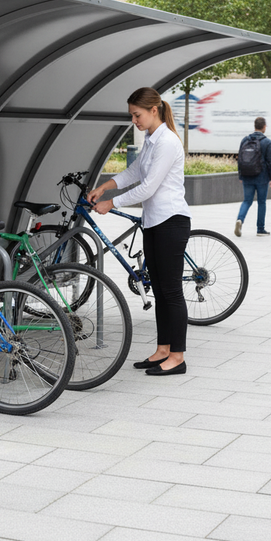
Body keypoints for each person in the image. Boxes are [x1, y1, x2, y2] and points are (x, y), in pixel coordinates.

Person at [88, 87, 191, 377]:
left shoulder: (167, 142)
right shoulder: (150, 139)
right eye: (132, 115)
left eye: (138, 115)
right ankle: (163, 349)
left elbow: (149, 187)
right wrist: (105, 186)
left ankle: (178, 357)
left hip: (172, 220)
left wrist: (112, 203)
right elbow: (135, 173)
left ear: (154, 110)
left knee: (171, 291)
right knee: (158, 288)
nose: (134, 120)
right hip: (154, 221)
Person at [234, 116, 271, 237]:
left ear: (254, 126)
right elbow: (270, 161)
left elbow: (240, 159)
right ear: (264, 127)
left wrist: (240, 175)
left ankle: (240, 220)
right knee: (261, 202)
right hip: (262, 177)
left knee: (247, 201)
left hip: (247, 175)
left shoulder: (245, 140)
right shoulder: (267, 142)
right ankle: (260, 229)